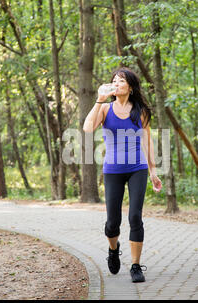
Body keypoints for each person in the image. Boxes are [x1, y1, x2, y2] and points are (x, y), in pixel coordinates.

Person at [83, 67, 162, 282]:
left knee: (135, 216)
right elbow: (87, 128)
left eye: (121, 81)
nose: (117, 84)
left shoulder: (141, 111)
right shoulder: (105, 109)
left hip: (137, 168)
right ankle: (113, 249)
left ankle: (136, 266)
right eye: (114, 81)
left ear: (130, 86)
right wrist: (99, 99)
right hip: (113, 170)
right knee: (112, 223)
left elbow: (147, 141)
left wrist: (153, 172)